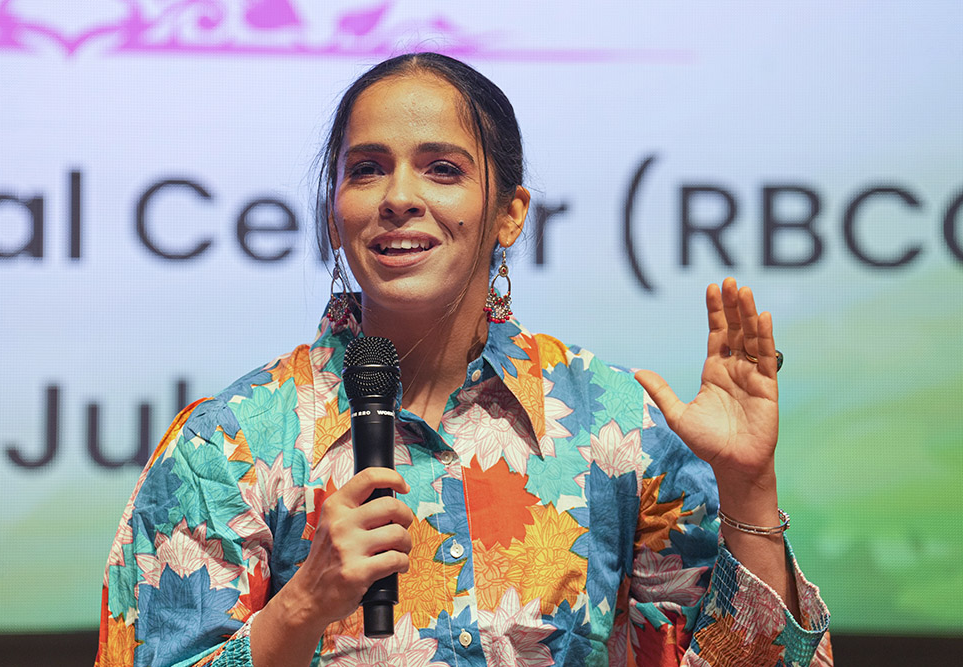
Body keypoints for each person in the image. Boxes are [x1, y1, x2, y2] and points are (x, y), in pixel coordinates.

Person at [95, 52, 831, 667]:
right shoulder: (228, 446)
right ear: (333, 213)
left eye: (442, 168)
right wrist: (302, 604)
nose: (399, 198)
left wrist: (748, 492)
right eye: (367, 170)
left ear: (511, 212)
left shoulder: (617, 429)